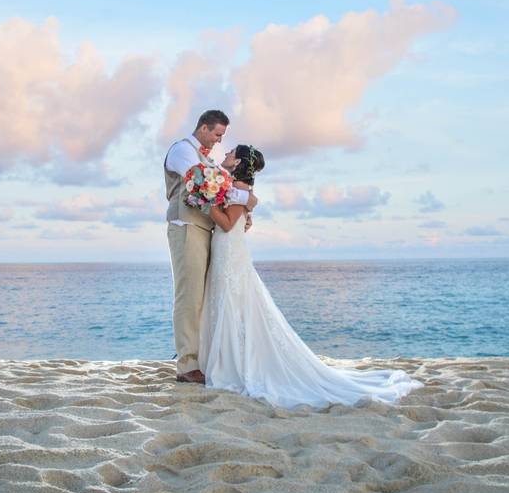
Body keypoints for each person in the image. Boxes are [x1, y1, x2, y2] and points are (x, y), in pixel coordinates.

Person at [199, 144, 423, 409]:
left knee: (233, 303)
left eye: (230, 153)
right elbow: (237, 219)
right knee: (228, 303)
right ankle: (226, 359)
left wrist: (204, 202)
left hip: (230, 252)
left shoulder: (240, 191)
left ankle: (233, 364)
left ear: (237, 163)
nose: (225, 155)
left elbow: (226, 223)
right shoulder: (235, 188)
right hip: (227, 250)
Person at [164, 110, 258, 384]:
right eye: (217, 134)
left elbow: (219, 187)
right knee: (189, 296)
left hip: (207, 230)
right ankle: (187, 365)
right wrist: (246, 199)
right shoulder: (183, 151)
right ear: (203, 127)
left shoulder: (209, 160)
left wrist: (246, 204)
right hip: (187, 227)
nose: (219, 141)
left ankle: (200, 358)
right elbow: (203, 183)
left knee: (204, 298)